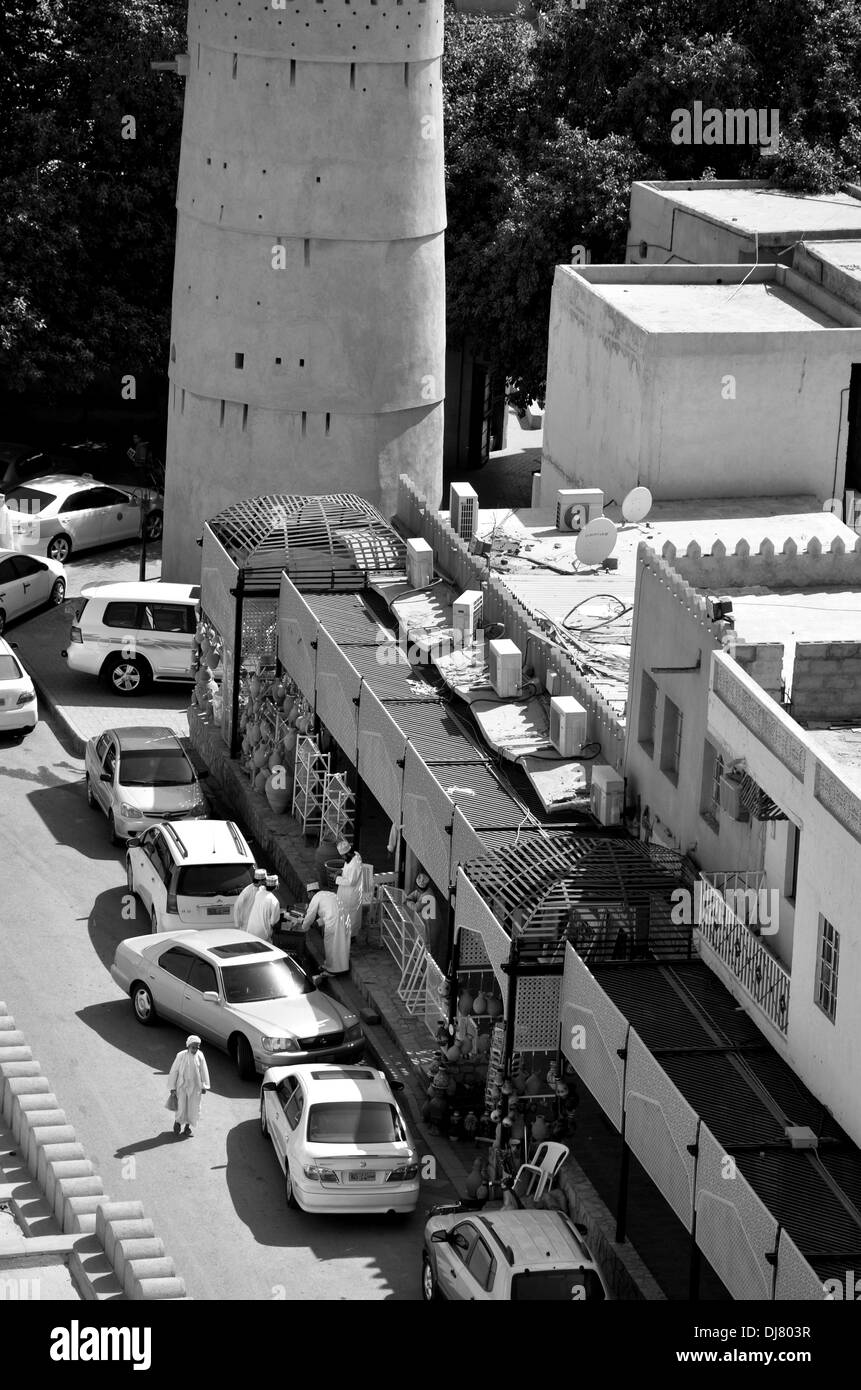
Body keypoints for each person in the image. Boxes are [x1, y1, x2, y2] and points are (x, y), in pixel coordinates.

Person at [167, 1036, 210, 1138]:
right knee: (181, 1106)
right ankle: (177, 1123)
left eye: (197, 1047)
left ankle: (187, 1128)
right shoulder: (181, 1056)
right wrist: (172, 1087)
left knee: (193, 1108)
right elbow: (174, 1071)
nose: (195, 1050)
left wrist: (204, 1086)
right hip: (182, 1086)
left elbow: (203, 1071)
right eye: (193, 1047)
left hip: (195, 1088)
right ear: (188, 1046)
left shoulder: (200, 1056)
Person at [302, 888, 351, 975]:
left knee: (331, 945)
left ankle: (333, 970)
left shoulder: (316, 897)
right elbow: (329, 912)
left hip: (334, 921)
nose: (308, 896)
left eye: (308, 894)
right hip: (344, 918)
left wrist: (304, 927)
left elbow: (310, 915)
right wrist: (317, 923)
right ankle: (340, 967)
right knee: (341, 944)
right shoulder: (329, 894)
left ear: (312, 892)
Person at [335, 839, 363, 940]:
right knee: (344, 913)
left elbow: (351, 881)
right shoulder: (353, 856)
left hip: (351, 894)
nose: (342, 858)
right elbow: (347, 869)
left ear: (347, 854)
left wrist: (337, 879)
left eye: (343, 856)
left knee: (350, 916)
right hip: (346, 893)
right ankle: (345, 934)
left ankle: (351, 937)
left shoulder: (355, 863)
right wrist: (341, 871)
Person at [245, 873, 281, 943]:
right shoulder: (274, 901)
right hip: (263, 935)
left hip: (250, 931)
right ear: (276, 886)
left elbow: (261, 888)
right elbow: (273, 921)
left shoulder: (258, 893)